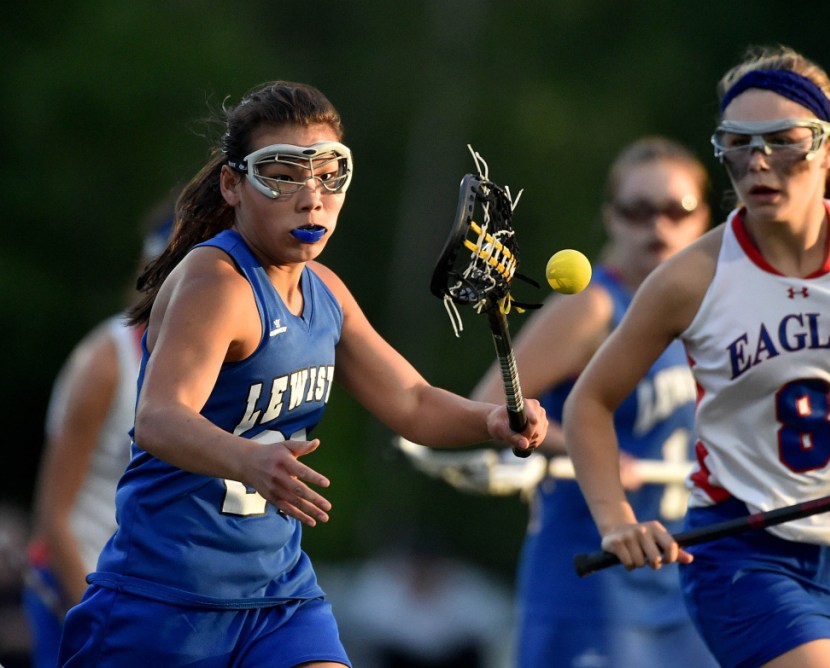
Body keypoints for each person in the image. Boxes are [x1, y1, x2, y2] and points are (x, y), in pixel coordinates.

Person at [56, 80, 546, 668]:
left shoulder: (326, 293)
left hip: (277, 597)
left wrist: (489, 419)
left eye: (328, 173)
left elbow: (412, 402)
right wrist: (248, 460)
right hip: (163, 600)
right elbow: (159, 420)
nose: (311, 198)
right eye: (282, 175)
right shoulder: (217, 283)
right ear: (233, 185)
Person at [563, 45, 830, 668]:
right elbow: (589, 403)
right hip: (743, 547)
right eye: (738, 144)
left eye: (783, 141)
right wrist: (615, 520)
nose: (759, 162)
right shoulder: (691, 278)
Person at [471, 137, 718, 667]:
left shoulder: (709, 315)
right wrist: (587, 453)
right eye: (638, 210)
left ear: (704, 220)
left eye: (678, 210)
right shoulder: (593, 307)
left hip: (685, 564)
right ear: (612, 218)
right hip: (592, 569)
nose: (658, 226)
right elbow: (488, 409)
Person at [22, 198, 174, 667]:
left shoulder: (222, 367)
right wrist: (94, 615)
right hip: (81, 589)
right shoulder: (108, 361)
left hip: (152, 606)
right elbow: (54, 512)